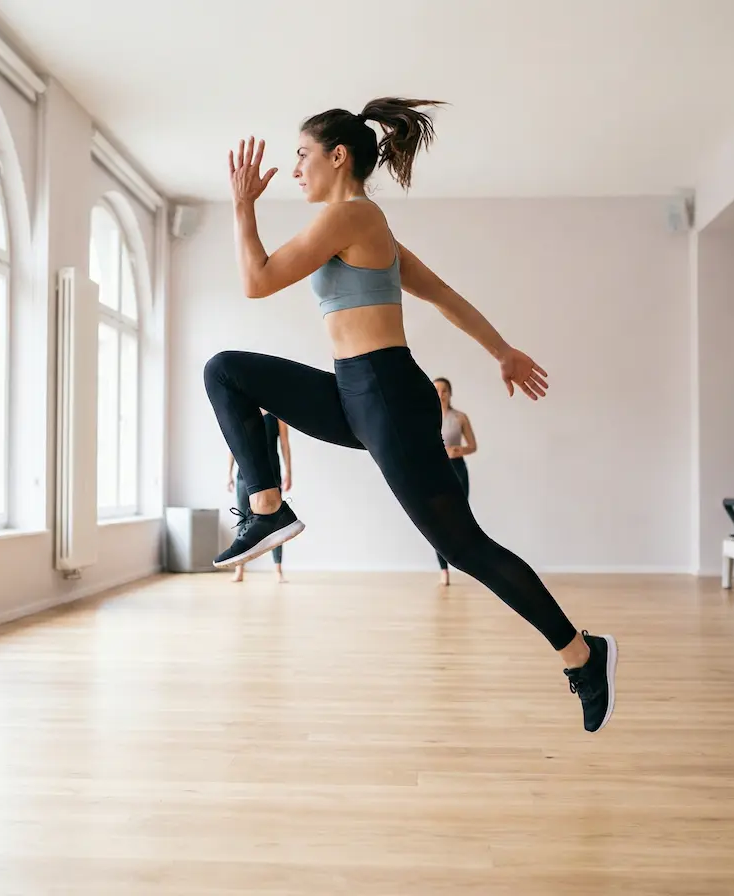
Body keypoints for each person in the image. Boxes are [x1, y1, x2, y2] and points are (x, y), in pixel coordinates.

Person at [203, 98, 617, 733]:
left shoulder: (352, 214)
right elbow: (442, 294)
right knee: (226, 370)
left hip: (388, 395)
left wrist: (241, 207)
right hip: (357, 392)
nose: (295, 169)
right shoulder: (368, 229)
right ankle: (267, 510)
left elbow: (256, 281)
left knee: (462, 545)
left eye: (303, 156)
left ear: (338, 157)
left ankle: (583, 655)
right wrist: (502, 351)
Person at [226, 409, 292, 583]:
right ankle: (239, 569)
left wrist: (289, 472)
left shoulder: (278, 415)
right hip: (245, 475)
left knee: (276, 522)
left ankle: (278, 570)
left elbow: (284, 444)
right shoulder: (243, 412)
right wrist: (229, 474)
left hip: (271, 474)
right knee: (244, 520)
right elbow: (234, 445)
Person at [432, 377, 476, 586]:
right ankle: (443, 569)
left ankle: (467, 562)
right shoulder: (425, 417)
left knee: (459, 519)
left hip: (457, 469)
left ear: (450, 394)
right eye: (436, 390)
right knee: (437, 520)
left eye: (444, 391)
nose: (440, 394)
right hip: (436, 470)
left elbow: (473, 446)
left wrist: (459, 450)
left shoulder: (460, 417)